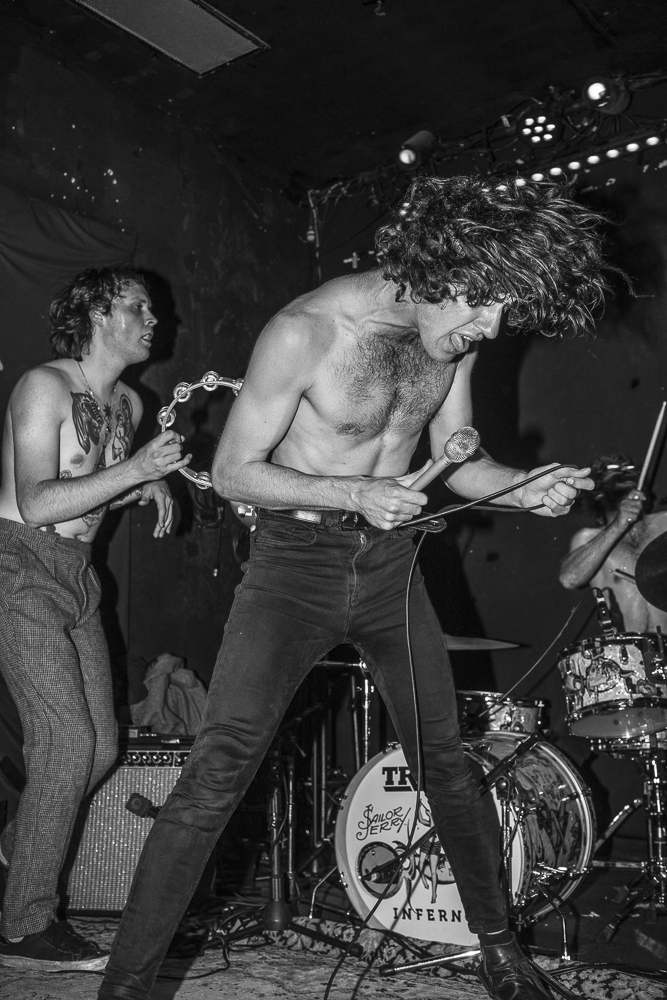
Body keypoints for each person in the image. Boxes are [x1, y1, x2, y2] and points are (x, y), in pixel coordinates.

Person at [99, 175, 609, 1000]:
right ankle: (124, 987)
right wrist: (353, 492)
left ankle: (499, 954)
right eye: (483, 306)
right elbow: (233, 472)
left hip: (389, 568)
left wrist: (525, 488)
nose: (490, 328)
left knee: (444, 763)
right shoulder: (304, 331)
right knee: (218, 770)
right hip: (292, 566)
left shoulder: (453, 338)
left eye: (502, 311)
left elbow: (462, 463)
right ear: (436, 267)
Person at [0, 266, 189, 971]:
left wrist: (143, 487)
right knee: (65, 741)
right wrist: (137, 472)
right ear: (100, 313)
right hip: (18, 564)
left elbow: (94, 487)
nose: (154, 320)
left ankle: (18, 848)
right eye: (138, 307)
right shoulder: (44, 385)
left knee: (103, 746)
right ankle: (25, 926)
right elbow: (39, 501)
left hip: (79, 575)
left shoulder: (131, 404)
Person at [559, 455, 667, 631]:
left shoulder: (664, 523)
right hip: (624, 646)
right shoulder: (587, 538)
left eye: (627, 471)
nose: (623, 475)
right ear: (597, 493)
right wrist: (618, 525)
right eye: (611, 472)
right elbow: (569, 579)